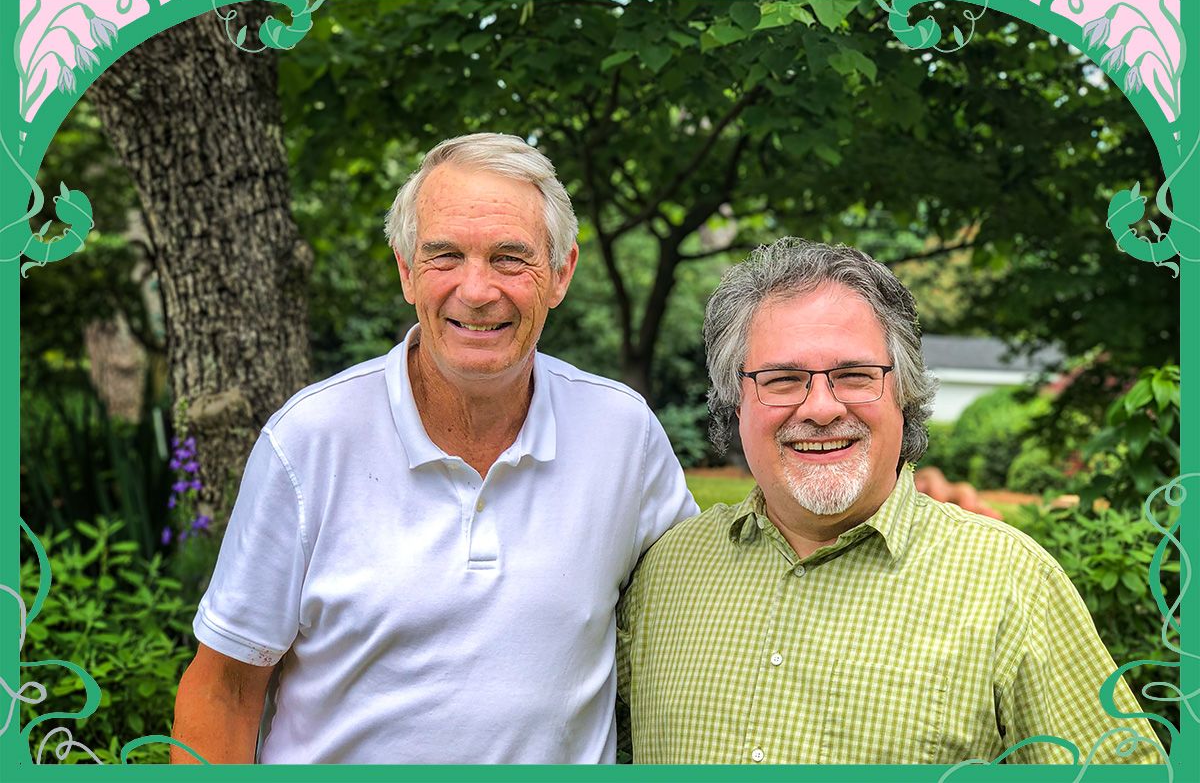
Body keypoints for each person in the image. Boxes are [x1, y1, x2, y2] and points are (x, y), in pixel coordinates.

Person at [172, 133, 698, 763]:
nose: (476, 291)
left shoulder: (622, 433)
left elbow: (696, 616)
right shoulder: (309, 441)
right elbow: (224, 690)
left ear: (560, 274)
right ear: (406, 271)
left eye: (510, 257)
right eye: (445, 255)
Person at [617, 238, 1164, 764]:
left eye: (854, 376)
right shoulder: (666, 571)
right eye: (783, 379)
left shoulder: (1011, 583)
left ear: (903, 393)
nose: (823, 408)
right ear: (736, 403)